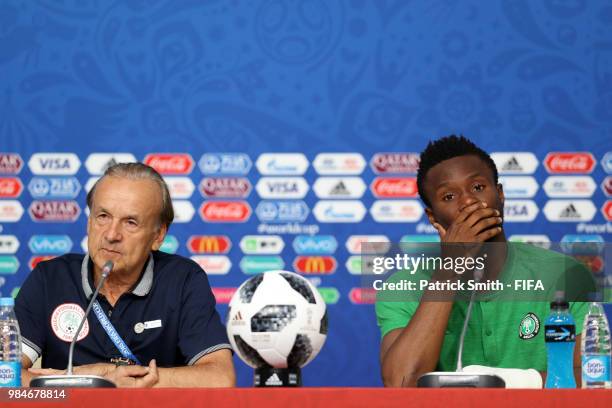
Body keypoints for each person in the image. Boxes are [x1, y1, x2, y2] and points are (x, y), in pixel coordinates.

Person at [376, 135, 595, 387]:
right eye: (448, 197)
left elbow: (592, 378)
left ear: (500, 195)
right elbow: (400, 383)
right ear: (432, 217)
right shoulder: (403, 287)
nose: (468, 201)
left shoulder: (564, 274)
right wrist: (449, 270)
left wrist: (509, 383)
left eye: (478, 188)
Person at [16, 163, 235, 387]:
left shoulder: (183, 279)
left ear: (158, 235)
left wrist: (124, 383)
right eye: (103, 216)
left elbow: (220, 378)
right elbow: (5, 376)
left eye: (130, 222)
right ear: (89, 222)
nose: (111, 234)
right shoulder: (49, 278)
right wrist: (100, 377)